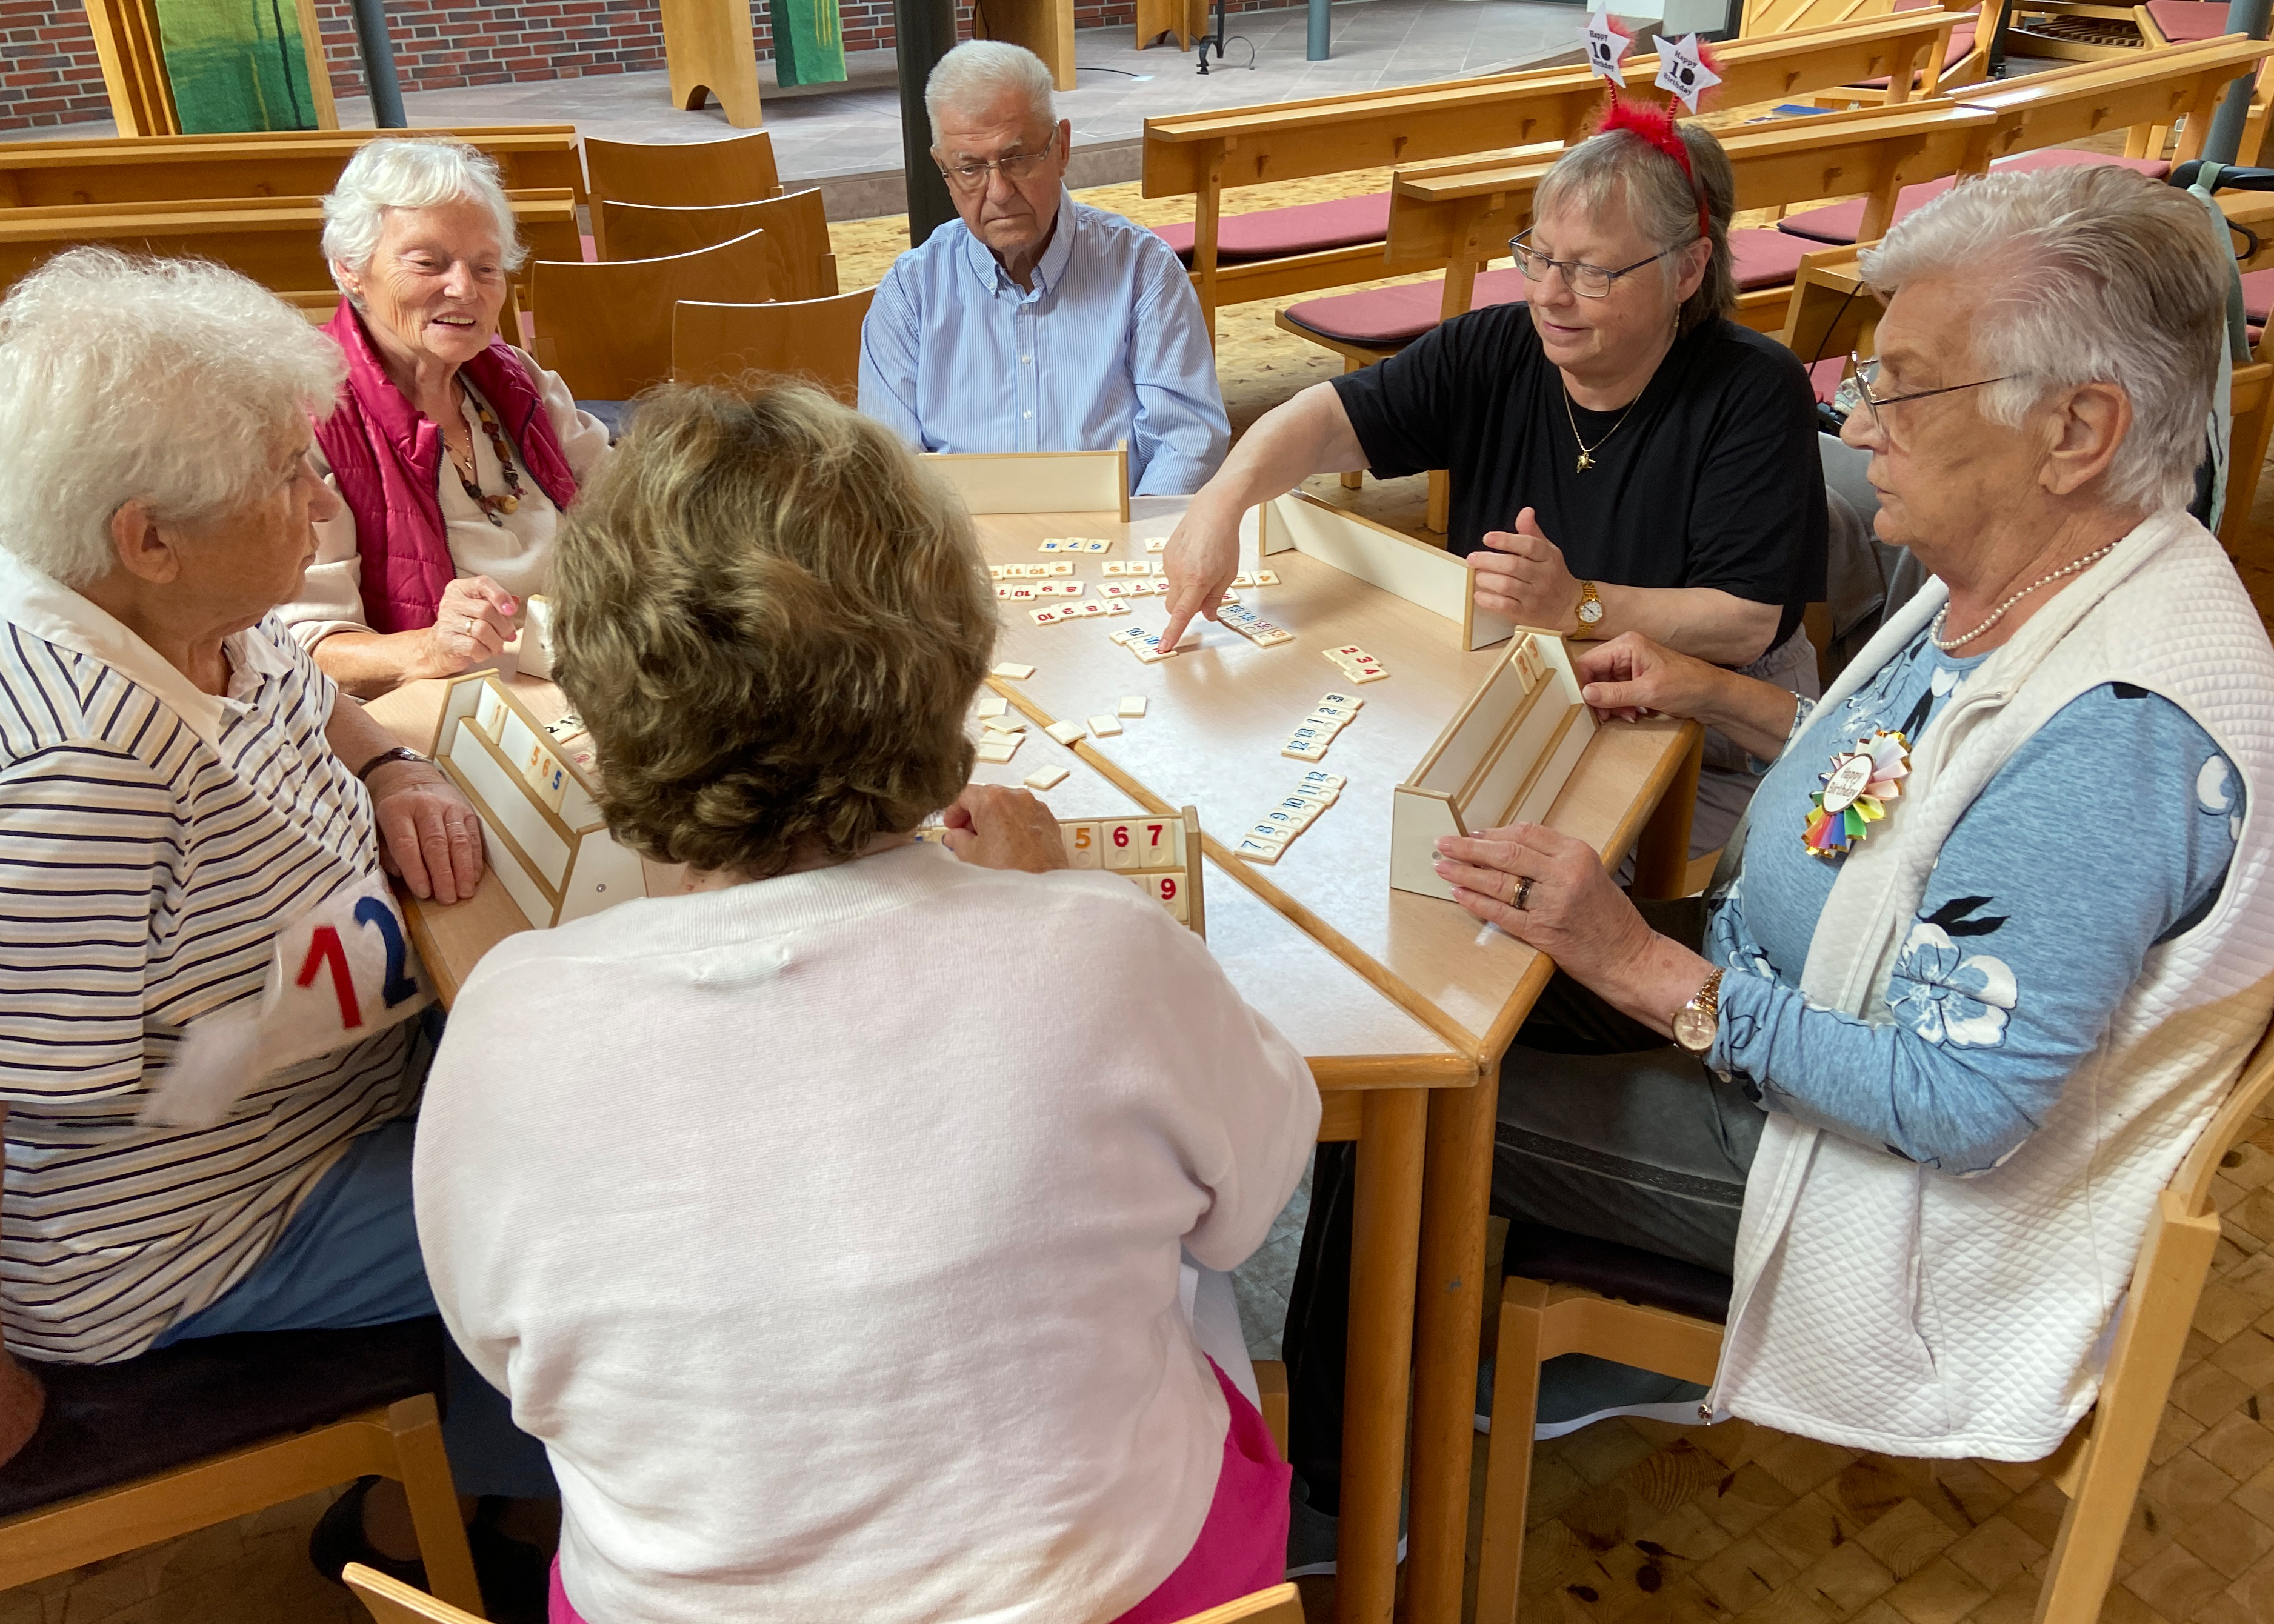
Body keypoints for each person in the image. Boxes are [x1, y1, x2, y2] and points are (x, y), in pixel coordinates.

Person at [1412, 164, 2271, 1476]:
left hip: (1884, 1188)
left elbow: (1961, 1106)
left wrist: (1644, 968)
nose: (1858, 427)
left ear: (2076, 429)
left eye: (1903, 390)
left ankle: (1355, 1485)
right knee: (1452, 974)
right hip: (1787, 988)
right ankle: (1443, 1358)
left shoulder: (2119, 735)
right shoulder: (2048, 564)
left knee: (1425, 1093)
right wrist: (1718, 693)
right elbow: (1921, 782)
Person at [412, 382, 1318, 1624]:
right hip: (1115, 1592)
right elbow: (1248, 1208)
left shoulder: (503, 1018)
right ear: (945, 669)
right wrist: (1059, 908)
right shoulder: (1105, 952)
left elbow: (506, 1358)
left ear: (603, 697)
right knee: (1188, 1278)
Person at [0, 249, 555, 1612]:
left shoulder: (196, 614)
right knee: (591, 1195)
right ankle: (462, 1532)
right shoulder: (79, 768)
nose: (319, 499)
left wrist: (394, 768)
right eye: (287, 476)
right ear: (147, 536)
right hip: (196, 1220)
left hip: (332, 1091)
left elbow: (308, 694)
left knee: (570, 1067)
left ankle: (495, 1488)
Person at [1161, 105, 1827, 856]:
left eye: (1591, 271)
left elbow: (1744, 621)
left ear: (1688, 270)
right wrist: (1219, 502)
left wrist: (1577, 603)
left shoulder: (1753, 389)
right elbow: (1322, 420)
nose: (1548, 294)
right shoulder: (1494, 346)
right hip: (1531, 692)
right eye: (1537, 257)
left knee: (1480, 870)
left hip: (1702, 739)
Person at [282, 138, 612, 699]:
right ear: (350, 269)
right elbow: (300, 648)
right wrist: (430, 647)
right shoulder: (309, 417)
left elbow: (628, 507)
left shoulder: (515, 379)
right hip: (446, 708)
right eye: (427, 263)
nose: (463, 289)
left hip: (585, 669)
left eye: (486, 267)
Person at [858, 41, 1230, 497]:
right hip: (960, 538)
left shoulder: (1142, 269)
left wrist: (1134, 533)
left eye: (1016, 160)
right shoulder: (910, 292)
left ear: (1062, 148)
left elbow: (1187, 437)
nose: (998, 192)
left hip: (1117, 531)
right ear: (943, 168)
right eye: (970, 168)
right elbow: (892, 467)